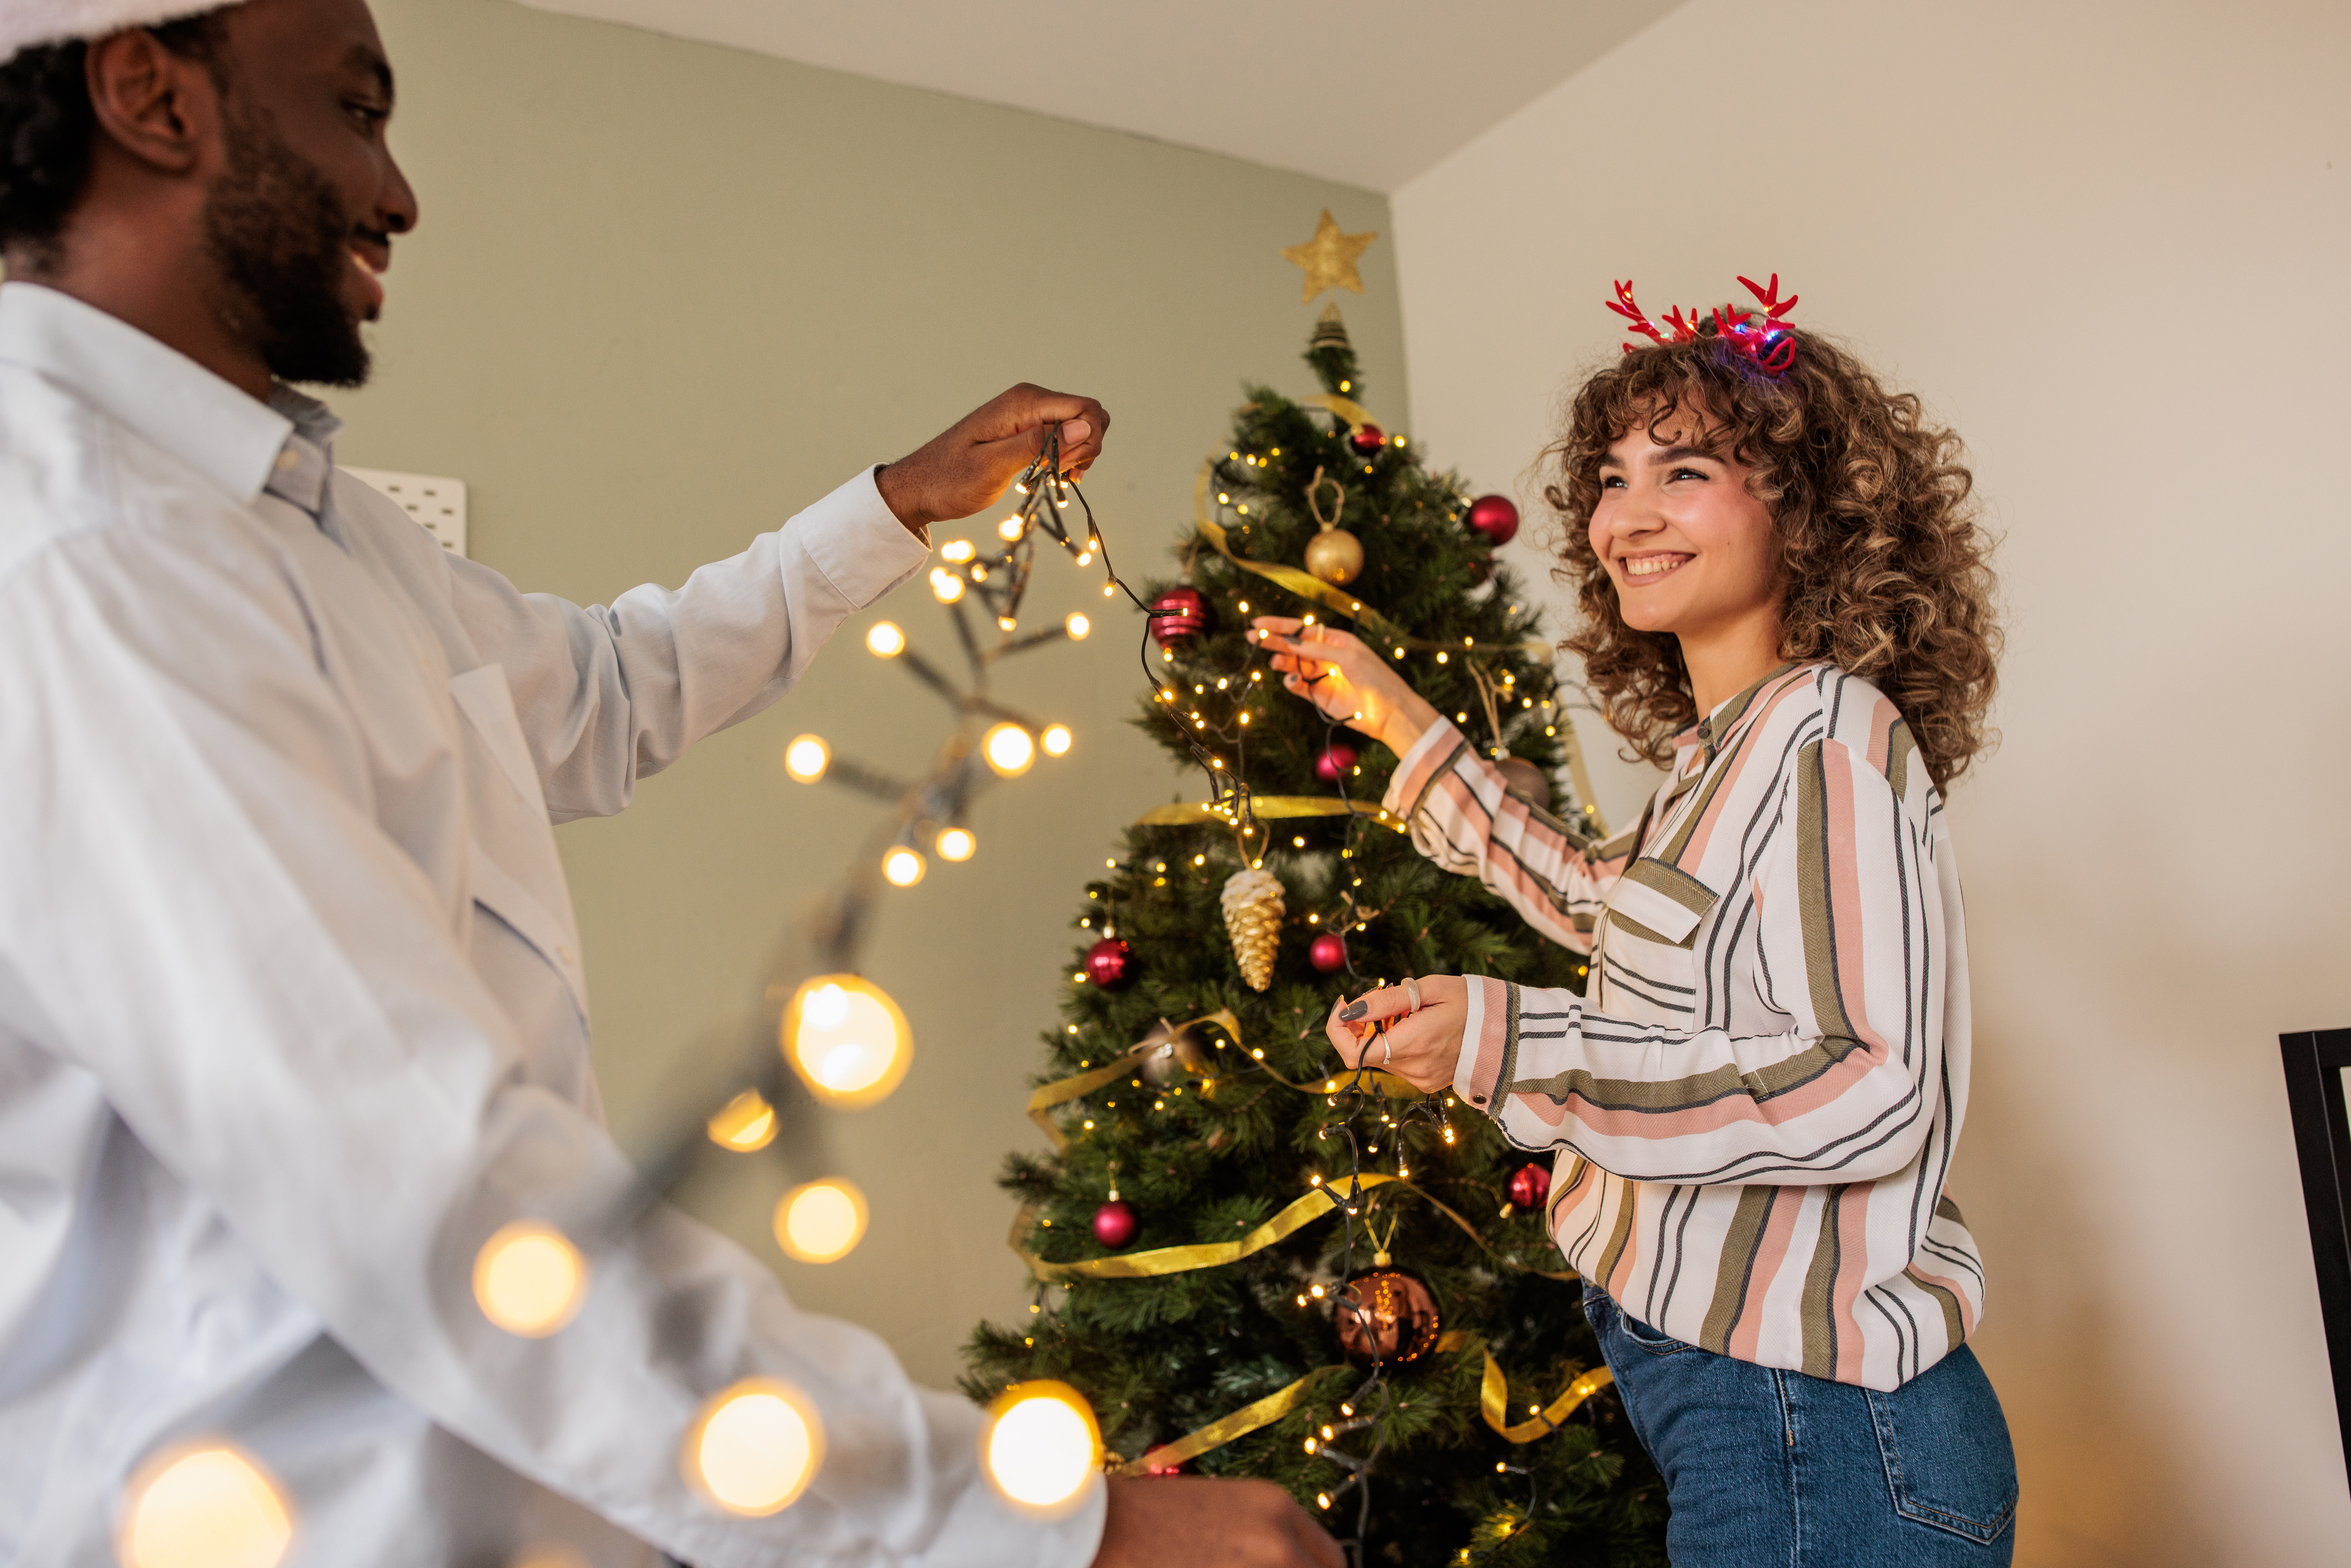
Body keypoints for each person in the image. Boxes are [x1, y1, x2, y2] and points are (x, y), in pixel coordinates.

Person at [0, 3, 1343, 1566]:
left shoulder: (313, 533)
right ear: (150, 97)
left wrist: (898, 505)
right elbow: (421, 1169)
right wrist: (1043, 1528)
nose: (400, 192)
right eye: (358, 109)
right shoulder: (87, 554)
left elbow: (610, 688)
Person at [1257, 284, 2017, 1565]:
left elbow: (1873, 1082)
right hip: (1745, 1412)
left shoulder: (1829, 738)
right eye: (1610, 480)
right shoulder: (1717, 757)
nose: (1627, 516)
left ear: (1807, 507)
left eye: (1684, 470)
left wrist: (1515, 1044)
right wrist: (1398, 720)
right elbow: (1595, 898)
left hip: (1818, 1433)